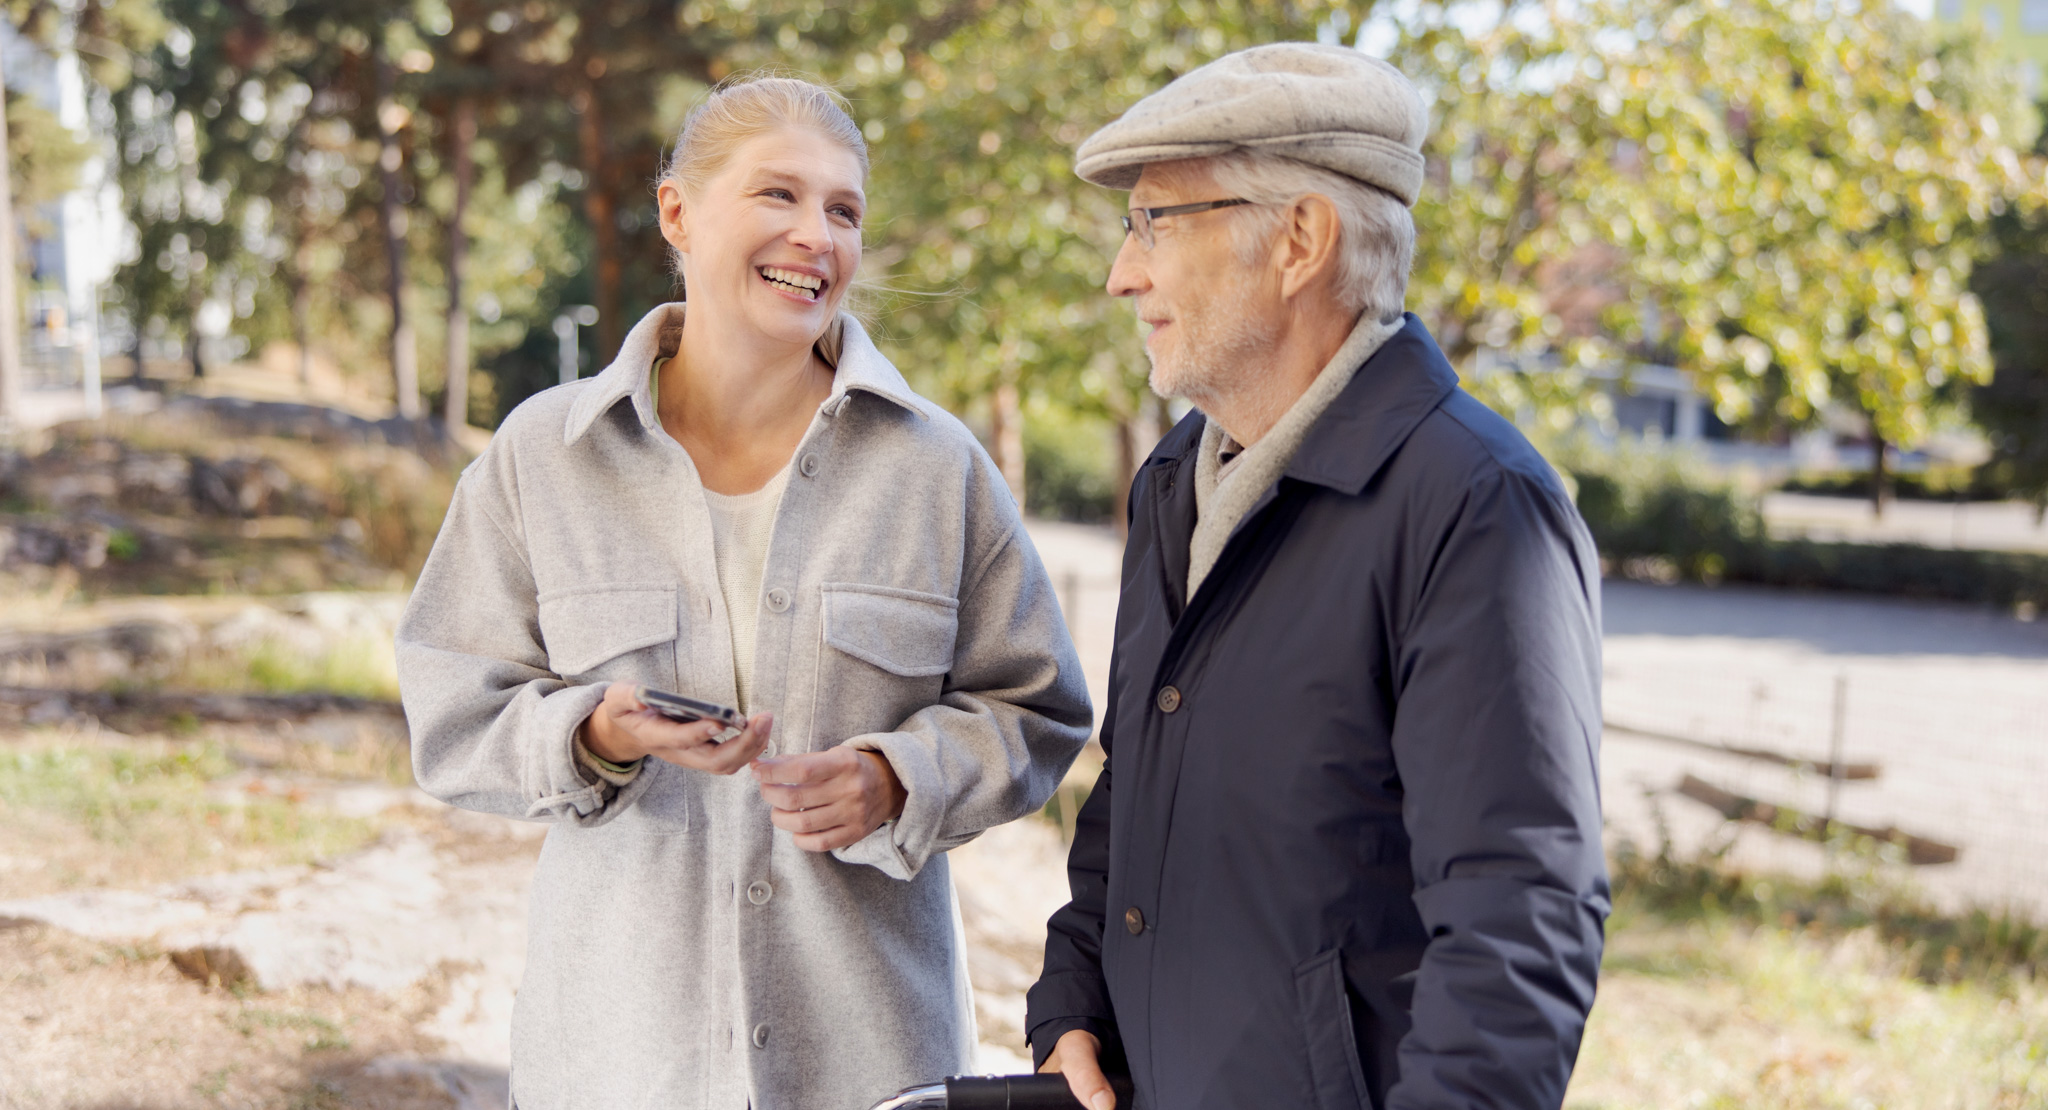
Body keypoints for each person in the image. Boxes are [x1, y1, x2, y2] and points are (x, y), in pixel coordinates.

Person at [396, 76, 1092, 1110]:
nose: (815, 234)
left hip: (868, 1066)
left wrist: (898, 777)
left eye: (842, 209)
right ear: (677, 212)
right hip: (616, 1060)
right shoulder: (542, 458)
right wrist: (591, 732)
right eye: (778, 196)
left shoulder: (935, 469)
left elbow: (1038, 711)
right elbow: (451, 714)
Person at [1026, 44, 1608, 1110]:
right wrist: (1070, 1003)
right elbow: (1135, 787)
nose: (1122, 273)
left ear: (1297, 240)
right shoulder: (1174, 482)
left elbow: (1517, 922)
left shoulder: (1474, 505)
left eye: (1156, 222)